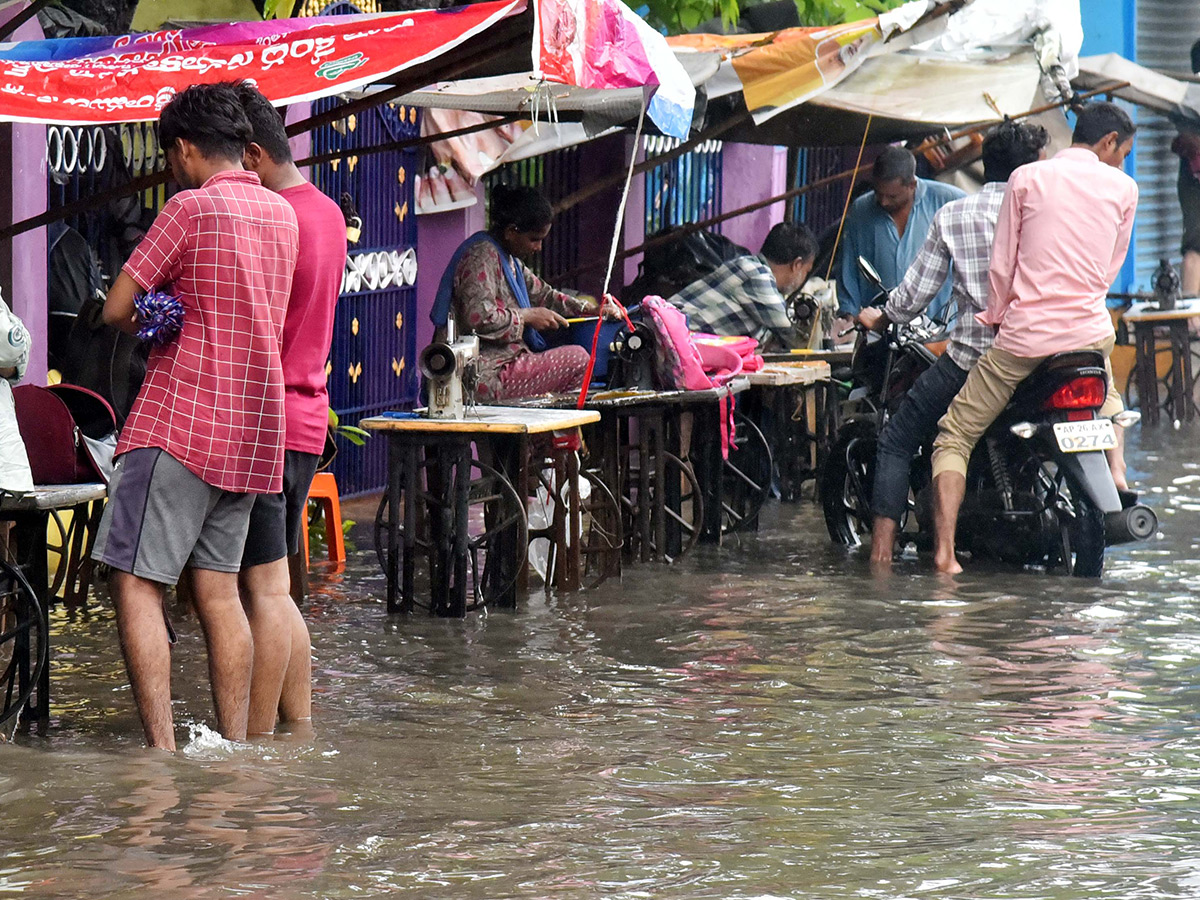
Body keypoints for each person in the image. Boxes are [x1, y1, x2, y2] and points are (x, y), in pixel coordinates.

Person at [92, 84, 300, 750]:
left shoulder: (189, 208)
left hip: (180, 425)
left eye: (169, 156)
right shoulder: (282, 216)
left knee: (136, 582)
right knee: (219, 593)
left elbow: (116, 307)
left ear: (183, 148)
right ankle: (233, 750)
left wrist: (163, 314)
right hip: (254, 438)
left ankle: (162, 754)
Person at [930, 102, 1138, 575]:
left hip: (1025, 340)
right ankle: (1119, 472)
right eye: (1122, 151)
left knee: (956, 434)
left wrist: (998, 313)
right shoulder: (1125, 189)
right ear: (1107, 143)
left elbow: (1003, 265)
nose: (1122, 161)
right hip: (1088, 336)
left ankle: (944, 556)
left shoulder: (1027, 179)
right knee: (1110, 396)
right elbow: (1110, 266)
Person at [857, 120, 1051, 567]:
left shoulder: (956, 214)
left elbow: (912, 298)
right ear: (1033, 167)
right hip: (1048, 353)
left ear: (986, 163)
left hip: (973, 357)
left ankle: (881, 557)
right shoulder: (1051, 214)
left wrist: (880, 317)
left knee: (897, 438)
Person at [233, 82, 346, 738]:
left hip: (268, 422)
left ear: (252, 154)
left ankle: (251, 743)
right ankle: (296, 729)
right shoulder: (327, 212)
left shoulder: (279, 220)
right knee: (279, 591)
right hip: (307, 419)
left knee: (261, 592)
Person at [431, 183, 621, 401]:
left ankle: (549, 435)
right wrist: (527, 316)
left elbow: (545, 296)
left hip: (506, 364)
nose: (539, 247)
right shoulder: (481, 256)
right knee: (578, 359)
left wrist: (591, 310)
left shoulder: (510, 261)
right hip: (481, 374)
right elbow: (478, 317)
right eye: (534, 239)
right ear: (511, 232)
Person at [837, 146, 965, 317]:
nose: (883, 202)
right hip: (879, 328)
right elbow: (849, 267)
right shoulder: (861, 210)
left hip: (938, 328)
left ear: (912, 185)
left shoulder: (951, 202)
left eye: (892, 197)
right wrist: (848, 313)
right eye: (878, 193)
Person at [668, 221, 818, 347]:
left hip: (674, 342)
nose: (804, 277)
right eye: (806, 271)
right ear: (797, 265)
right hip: (668, 340)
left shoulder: (747, 267)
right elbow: (792, 335)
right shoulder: (756, 274)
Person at [1171, 39, 1200, 296]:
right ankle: (1192, 320)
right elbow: (1181, 142)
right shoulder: (1187, 97)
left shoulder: (1184, 96)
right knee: (1194, 244)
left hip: (1190, 179)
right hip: (1193, 181)